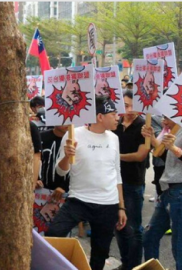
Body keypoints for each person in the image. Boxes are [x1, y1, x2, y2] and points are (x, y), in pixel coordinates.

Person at [45, 96, 127, 270]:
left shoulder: (114, 138)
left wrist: (121, 207)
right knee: (53, 234)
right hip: (79, 200)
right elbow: (61, 171)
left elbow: (117, 173)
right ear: (100, 117)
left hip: (108, 204)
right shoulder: (73, 134)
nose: (118, 117)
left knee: (101, 252)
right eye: (113, 114)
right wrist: (67, 155)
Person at [142, 116, 182, 270]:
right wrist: (151, 138)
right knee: (150, 237)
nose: (164, 122)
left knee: (180, 244)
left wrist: (175, 149)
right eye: (164, 118)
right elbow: (166, 156)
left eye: (168, 118)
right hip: (168, 191)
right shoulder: (174, 132)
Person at [113, 90, 149, 270]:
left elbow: (140, 155)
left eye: (131, 106)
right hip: (113, 181)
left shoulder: (143, 126)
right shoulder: (115, 123)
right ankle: (125, 261)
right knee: (119, 225)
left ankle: (134, 265)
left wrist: (115, 156)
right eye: (125, 105)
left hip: (133, 181)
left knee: (134, 227)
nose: (128, 110)